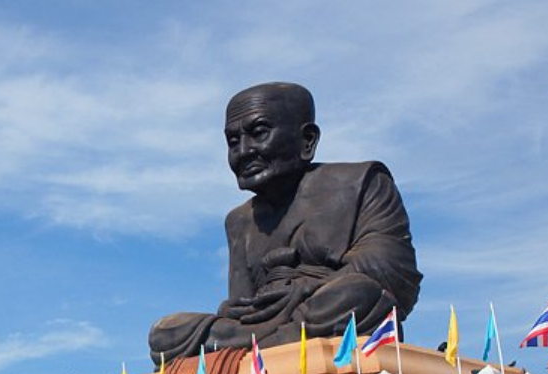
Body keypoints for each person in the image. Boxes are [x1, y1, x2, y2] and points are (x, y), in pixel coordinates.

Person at [149, 82, 423, 359]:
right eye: (232, 141)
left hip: (322, 309)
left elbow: (390, 270)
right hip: (267, 324)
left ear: (307, 140)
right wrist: (234, 310)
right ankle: (270, 347)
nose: (243, 151)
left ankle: (258, 350)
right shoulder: (239, 221)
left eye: (259, 134)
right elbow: (244, 305)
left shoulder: (361, 182)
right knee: (166, 333)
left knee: (355, 294)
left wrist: (304, 289)